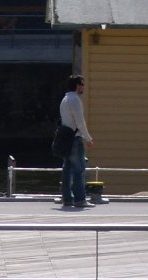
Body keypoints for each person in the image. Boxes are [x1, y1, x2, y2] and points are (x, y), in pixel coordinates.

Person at [59, 74, 95, 208]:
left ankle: (67, 199)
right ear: (77, 85)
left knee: (67, 169)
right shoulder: (75, 100)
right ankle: (80, 199)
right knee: (79, 169)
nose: (84, 87)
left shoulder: (65, 99)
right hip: (75, 139)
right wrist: (88, 138)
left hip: (66, 139)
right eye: (82, 84)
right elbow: (80, 122)